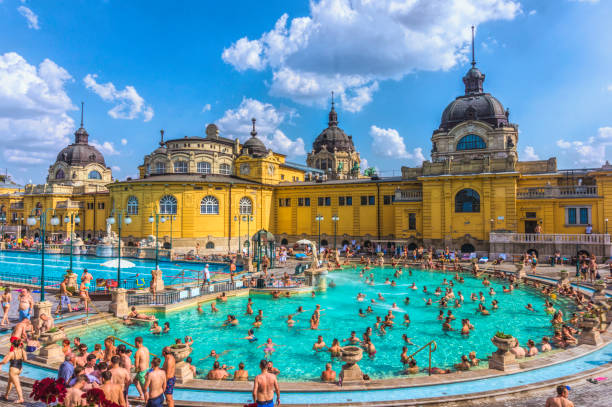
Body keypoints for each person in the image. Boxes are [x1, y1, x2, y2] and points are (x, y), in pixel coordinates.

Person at [0, 338, 26, 403]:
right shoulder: (22, 351)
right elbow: (25, 359)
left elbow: (5, 362)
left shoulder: (11, 353)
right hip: (19, 368)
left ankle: (21, 398)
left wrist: (0, 363)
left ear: (12, 344)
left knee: (17, 385)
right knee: (10, 382)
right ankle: (6, 395)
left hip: (13, 370)